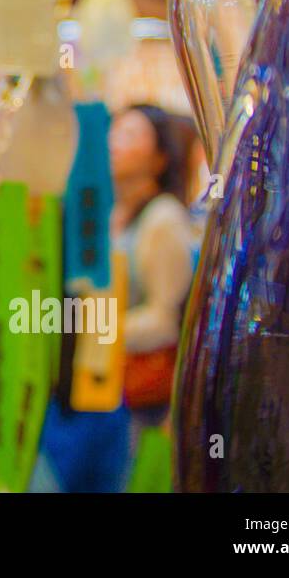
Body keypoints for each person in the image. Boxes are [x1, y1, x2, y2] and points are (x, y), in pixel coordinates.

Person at [108, 104, 197, 462]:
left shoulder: (164, 218)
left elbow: (165, 319)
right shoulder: (115, 213)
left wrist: (98, 334)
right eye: (114, 131)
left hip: (142, 398)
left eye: (130, 135)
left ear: (159, 157)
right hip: (109, 388)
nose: (114, 142)